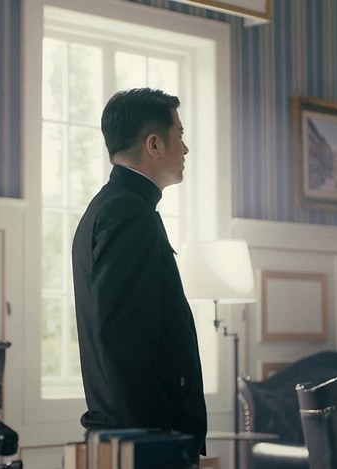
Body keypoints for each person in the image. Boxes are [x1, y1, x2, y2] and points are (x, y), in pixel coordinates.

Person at [71, 88, 207, 454]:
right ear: (154, 144)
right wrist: (161, 441)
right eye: (180, 135)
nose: (185, 148)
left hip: (129, 436)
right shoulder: (129, 213)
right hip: (147, 440)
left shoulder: (110, 206)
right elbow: (123, 344)